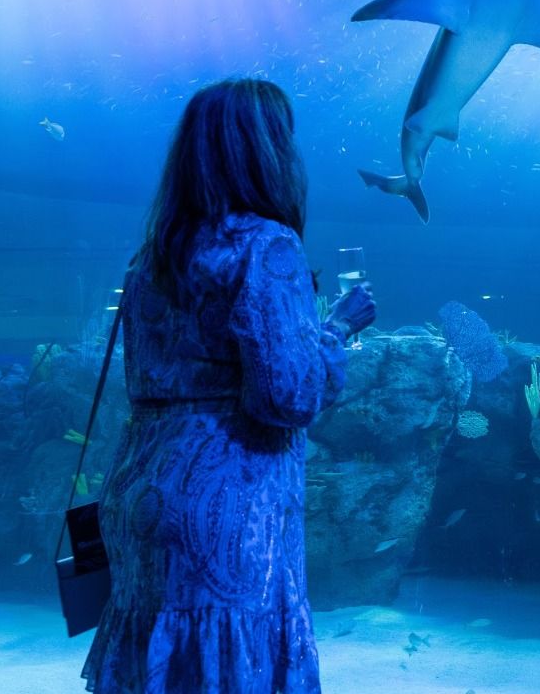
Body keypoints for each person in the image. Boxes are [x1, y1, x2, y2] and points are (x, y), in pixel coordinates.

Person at [82, 78, 375, 694]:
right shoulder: (267, 245)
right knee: (228, 665)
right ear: (268, 151)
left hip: (142, 490)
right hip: (227, 507)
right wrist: (335, 330)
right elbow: (286, 398)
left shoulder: (153, 256)